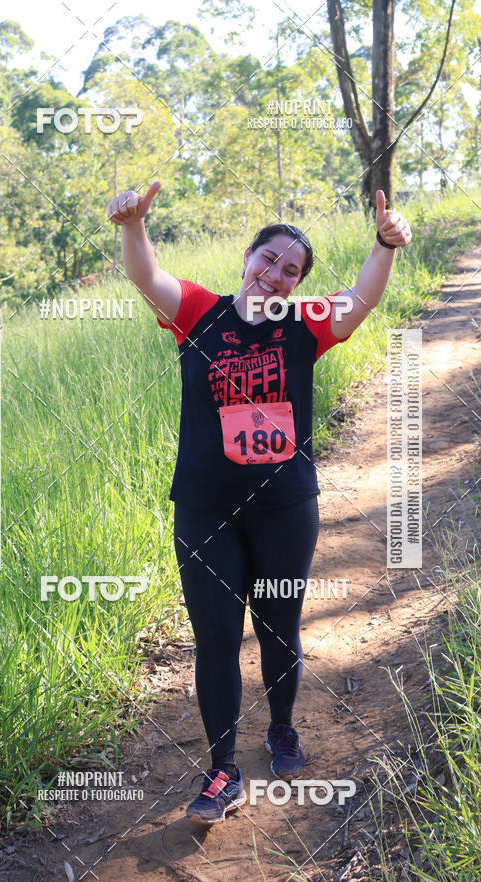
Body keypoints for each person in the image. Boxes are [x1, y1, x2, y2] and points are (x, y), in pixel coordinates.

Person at [106, 182, 412, 825]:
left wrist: (384, 245)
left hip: (284, 505)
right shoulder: (198, 313)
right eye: (268, 260)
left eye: (290, 271)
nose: (275, 275)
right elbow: (148, 277)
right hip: (203, 506)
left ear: (298, 284)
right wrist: (134, 226)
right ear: (247, 257)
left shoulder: (302, 326)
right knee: (215, 636)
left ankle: (280, 727)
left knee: (278, 624)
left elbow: (360, 301)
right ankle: (222, 770)